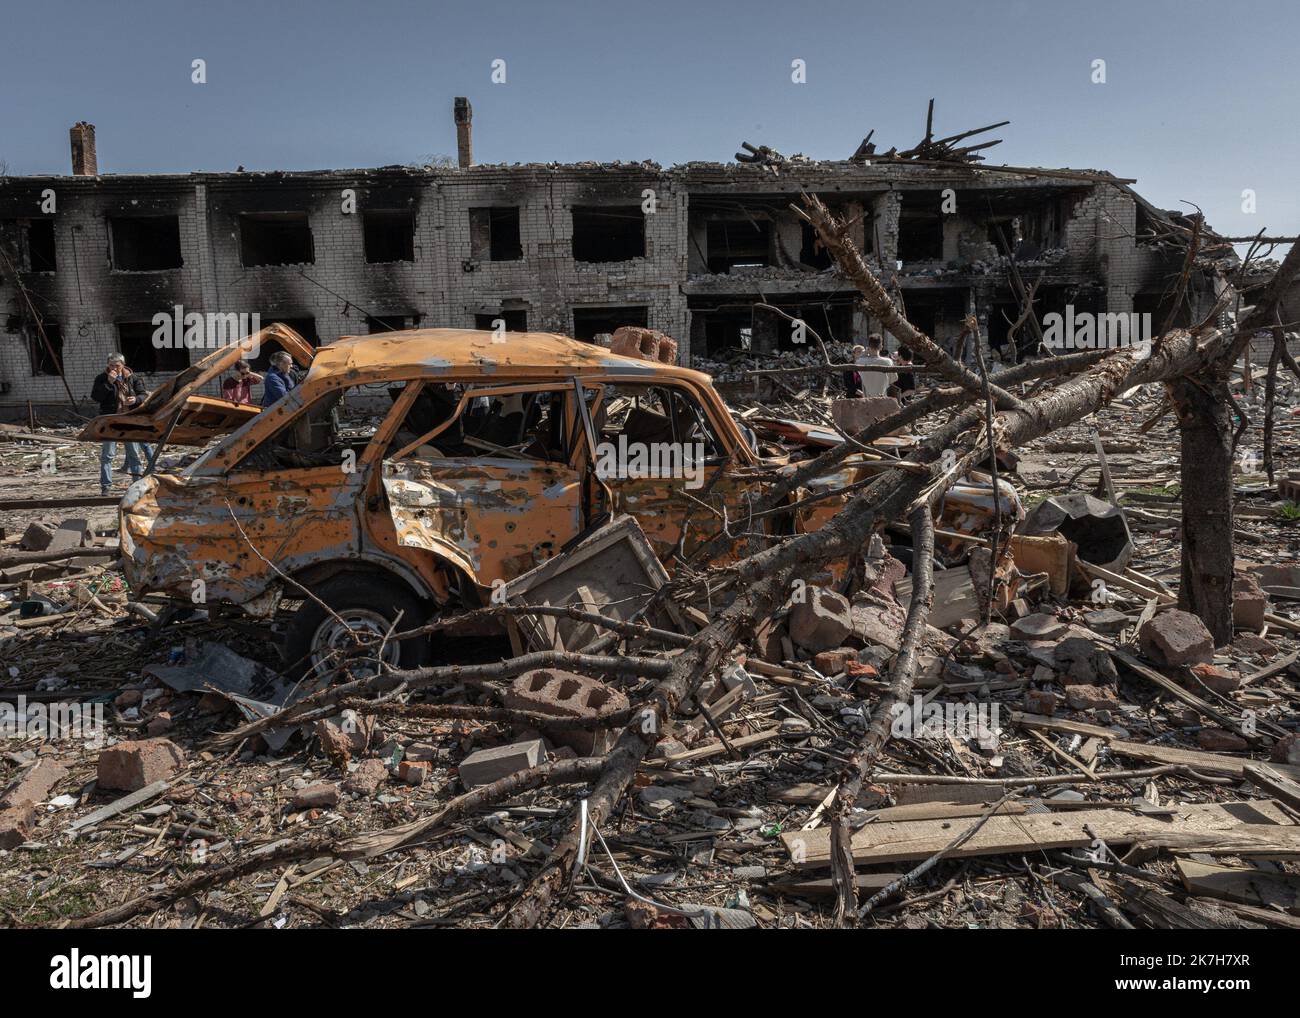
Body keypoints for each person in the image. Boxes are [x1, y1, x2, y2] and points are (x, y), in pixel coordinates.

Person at [91, 352, 150, 496]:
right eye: (111, 365)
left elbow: (143, 394)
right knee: (107, 456)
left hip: (128, 419)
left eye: (117, 366)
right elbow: (96, 397)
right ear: (107, 365)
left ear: (123, 365)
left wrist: (135, 400)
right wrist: (108, 383)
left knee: (134, 454)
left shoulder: (133, 378)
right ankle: (106, 487)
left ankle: (136, 486)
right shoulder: (102, 378)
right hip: (110, 420)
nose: (114, 368)